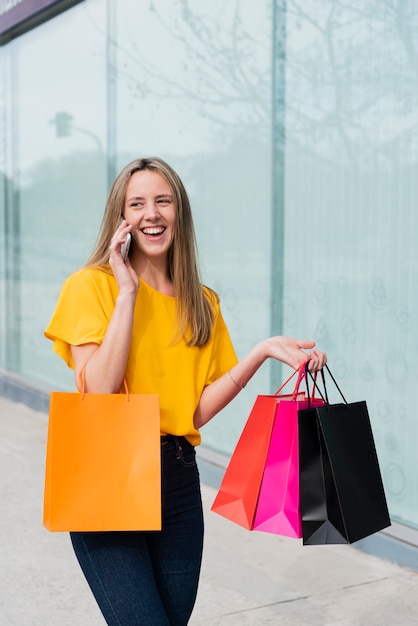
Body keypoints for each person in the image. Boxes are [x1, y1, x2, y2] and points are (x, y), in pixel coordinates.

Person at [44, 156, 327, 625]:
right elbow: (99, 391)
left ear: (180, 213)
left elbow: (193, 412)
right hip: (108, 475)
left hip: (175, 480)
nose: (150, 213)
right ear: (121, 218)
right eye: (137, 203)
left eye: (162, 201)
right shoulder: (91, 287)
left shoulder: (202, 301)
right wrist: (128, 292)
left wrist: (259, 354)